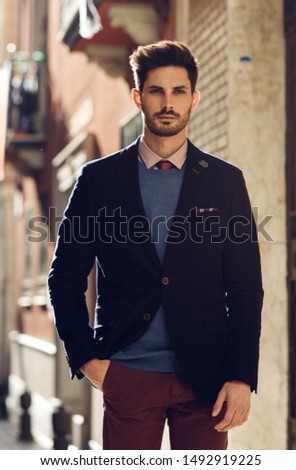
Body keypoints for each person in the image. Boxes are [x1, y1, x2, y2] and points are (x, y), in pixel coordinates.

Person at [48, 40, 264, 450]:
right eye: (156, 91)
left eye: (178, 91)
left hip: (207, 382)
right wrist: (87, 358)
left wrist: (240, 376)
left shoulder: (224, 182)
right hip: (128, 375)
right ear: (138, 97)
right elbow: (65, 277)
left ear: (194, 99)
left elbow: (245, 287)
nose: (168, 103)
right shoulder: (98, 180)